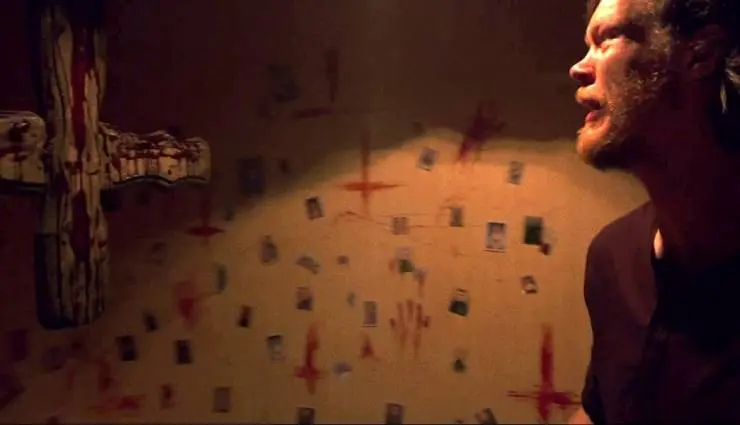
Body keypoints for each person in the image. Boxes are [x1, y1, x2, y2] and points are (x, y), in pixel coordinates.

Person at [568, 0, 740, 423]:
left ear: (700, 55)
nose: (578, 68)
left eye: (607, 38)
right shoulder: (612, 255)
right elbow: (600, 413)